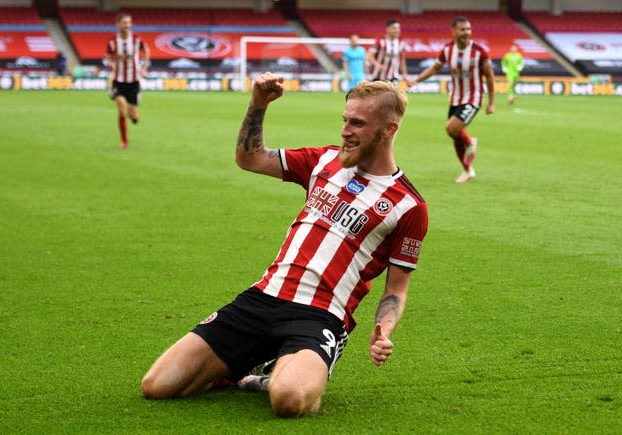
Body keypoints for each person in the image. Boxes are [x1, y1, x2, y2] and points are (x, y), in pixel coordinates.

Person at [140, 72, 429, 418]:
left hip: (320, 315)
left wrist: (384, 330)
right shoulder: (323, 160)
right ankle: (247, 368)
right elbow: (251, 158)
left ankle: (278, 374)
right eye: (344, 120)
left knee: (289, 400)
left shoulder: (409, 206)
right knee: (157, 385)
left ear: (388, 130)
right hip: (263, 298)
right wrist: (258, 104)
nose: (345, 131)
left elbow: (396, 290)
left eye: (357, 123)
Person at [408, 16, 495, 183]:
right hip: (455, 98)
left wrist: (491, 102)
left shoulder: (479, 52)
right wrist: (416, 80)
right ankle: (467, 169)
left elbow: (489, 77)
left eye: (468, 29)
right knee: (455, 135)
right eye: (462, 29)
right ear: (454, 31)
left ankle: (470, 142)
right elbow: (434, 69)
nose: (466, 32)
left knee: (451, 128)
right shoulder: (447, 50)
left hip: (473, 98)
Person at [106, 12, 150, 149]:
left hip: (134, 81)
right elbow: (108, 56)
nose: (127, 25)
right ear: (118, 24)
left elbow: (147, 51)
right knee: (121, 107)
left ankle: (134, 115)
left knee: (133, 116)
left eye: (129, 22)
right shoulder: (113, 42)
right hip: (118, 80)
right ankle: (124, 141)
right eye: (124, 22)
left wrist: (144, 67)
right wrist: (111, 63)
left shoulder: (137, 40)